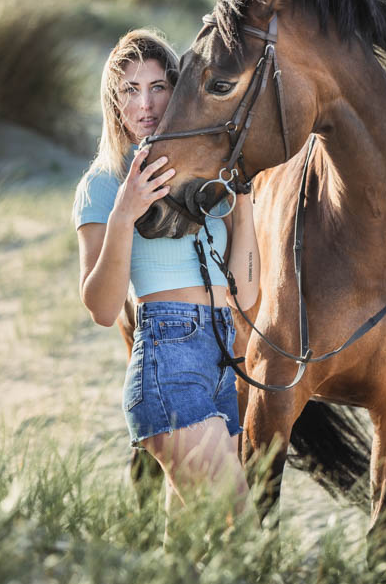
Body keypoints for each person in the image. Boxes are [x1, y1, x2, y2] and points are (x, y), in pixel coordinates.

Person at [72, 29, 258, 520]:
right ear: (114, 102)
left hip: (225, 365)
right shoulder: (104, 181)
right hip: (168, 360)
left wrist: (245, 210)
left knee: (191, 553)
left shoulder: (205, 174)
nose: (146, 103)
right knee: (238, 525)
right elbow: (101, 307)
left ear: (177, 90)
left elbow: (248, 291)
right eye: (130, 90)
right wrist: (124, 214)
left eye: (157, 86)